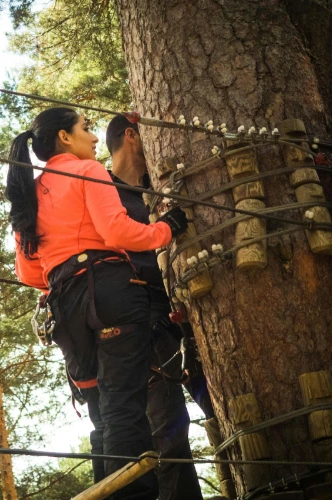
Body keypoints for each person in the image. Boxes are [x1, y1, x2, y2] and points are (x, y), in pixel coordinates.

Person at [7, 107, 188, 500]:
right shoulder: (86, 171)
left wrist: (64, 270)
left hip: (64, 306)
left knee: (101, 412)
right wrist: (166, 229)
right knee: (124, 405)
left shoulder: (28, 192)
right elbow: (116, 230)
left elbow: (28, 272)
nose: (92, 138)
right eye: (85, 129)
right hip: (111, 292)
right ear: (64, 138)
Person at [107, 114, 214, 500]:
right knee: (168, 426)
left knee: (221, 406)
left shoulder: (161, 186)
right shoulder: (103, 191)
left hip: (192, 309)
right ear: (133, 136)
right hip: (144, 317)